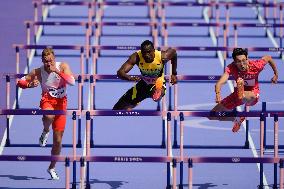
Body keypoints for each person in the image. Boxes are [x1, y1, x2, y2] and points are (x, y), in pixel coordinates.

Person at [17, 48, 75, 180]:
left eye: (51, 61)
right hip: (47, 100)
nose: (49, 64)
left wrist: (57, 71)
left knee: (58, 141)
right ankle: (45, 130)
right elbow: (20, 82)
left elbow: (72, 82)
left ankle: (52, 167)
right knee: (49, 115)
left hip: (62, 103)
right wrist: (29, 85)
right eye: (46, 61)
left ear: (54, 59)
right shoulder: (38, 71)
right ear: (42, 61)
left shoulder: (63, 66)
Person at [208, 48, 278, 132]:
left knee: (246, 96)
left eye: (244, 60)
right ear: (234, 62)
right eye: (239, 61)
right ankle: (236, 119)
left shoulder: (256, 65)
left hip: (252, 95)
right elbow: (219, 83)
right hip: (236, 95)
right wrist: (218, 94)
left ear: (247, 58)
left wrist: (276, 74)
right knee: (212, 115)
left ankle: (242, 93)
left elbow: (268, 57)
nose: (242, 64)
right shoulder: (231, 67)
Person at [112, 40, 177, 110]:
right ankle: (132, 104)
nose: (146, 55)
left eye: (149, 52)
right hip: (143, 84)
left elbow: (174, 53)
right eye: (144, 53)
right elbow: (120, 72)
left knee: (156, 96)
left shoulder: (162, 56)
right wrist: (129, 78)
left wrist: (173, 73)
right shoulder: (136, 57)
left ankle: (158, 90)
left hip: (157, 82)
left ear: (153, 50)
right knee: (118, 108)